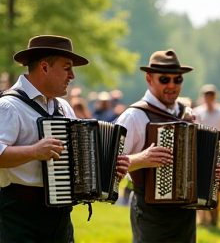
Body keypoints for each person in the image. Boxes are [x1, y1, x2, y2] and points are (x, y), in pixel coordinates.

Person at [0, 35, 130, 243]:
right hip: (18, 215)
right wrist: (34, 152)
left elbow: (77, 161)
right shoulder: (9, 106)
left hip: (60, 217)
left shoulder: (63, 107)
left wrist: (108, 170)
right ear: (44, 67)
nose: (72, 75)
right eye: (67, 67)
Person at [116, 49, 220, 243]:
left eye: (178, 80)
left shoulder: (188, 114)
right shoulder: (134, 116)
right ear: (149, 79)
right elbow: (109, 166)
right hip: (149, 211)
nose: (172, 86)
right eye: (165, 79)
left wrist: (213, 172)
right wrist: (141, 159)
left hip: (186, 211)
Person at [193, 84, 220, 226]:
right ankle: (202, 217)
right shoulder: (197, 112)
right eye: (206, 95)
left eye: (211, 95)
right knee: (200, 185)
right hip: (202, 153)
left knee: (217, 186)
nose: (209, 98)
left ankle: (215, 216)